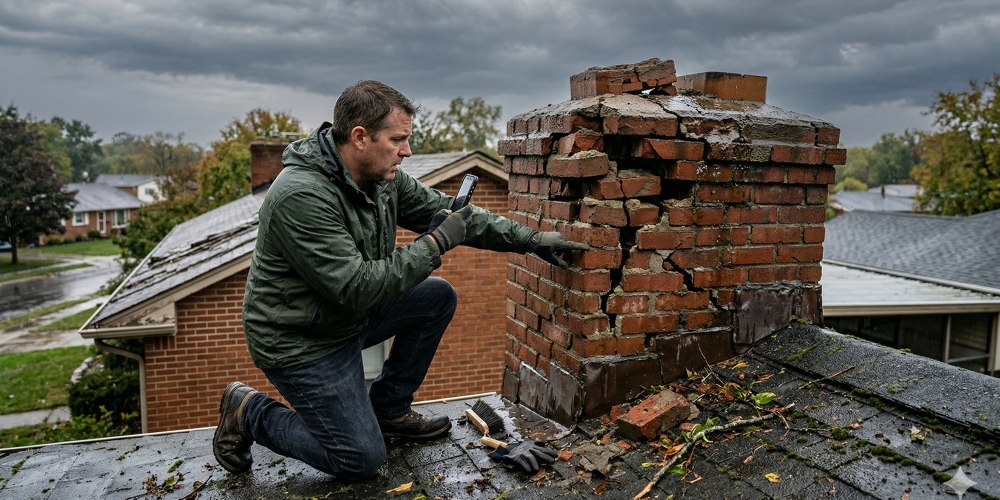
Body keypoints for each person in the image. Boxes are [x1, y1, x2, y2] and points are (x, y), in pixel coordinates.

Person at [213, 81, 589, 480]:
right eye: (398, 140)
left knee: (435, 297)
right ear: (360, 137)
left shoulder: (381, 179)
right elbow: (355, 286)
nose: (407, 151)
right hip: (302, 341)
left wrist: (530, 240)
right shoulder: (301, 196)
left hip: (345, 319)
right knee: (360, 459)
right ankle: (247, 411)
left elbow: (455, 214)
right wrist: (434, 244)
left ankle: (388, 410)